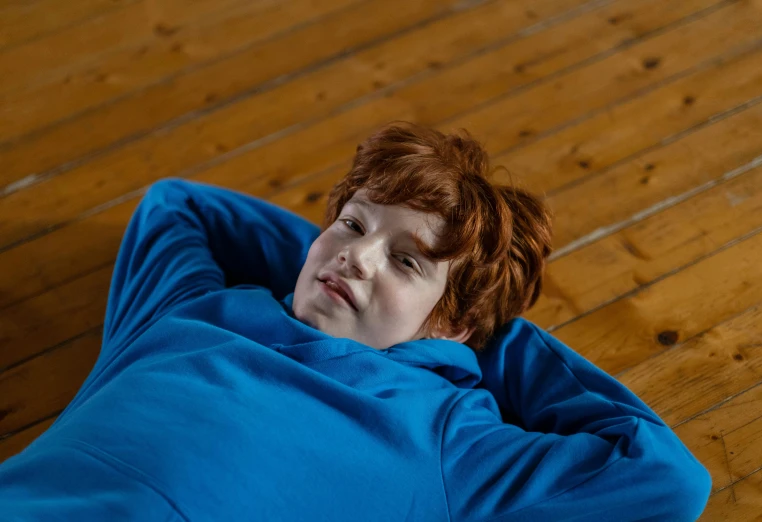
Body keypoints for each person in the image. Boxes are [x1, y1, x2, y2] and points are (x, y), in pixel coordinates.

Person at [0, 122, 711, 521]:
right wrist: (353, 260)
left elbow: (667, 477)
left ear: (452, 324)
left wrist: (491, 325)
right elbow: (178, 204)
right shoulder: (187, 308)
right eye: (350, 223)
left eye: (407, 262)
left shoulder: (450, 441)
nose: (357, 257)